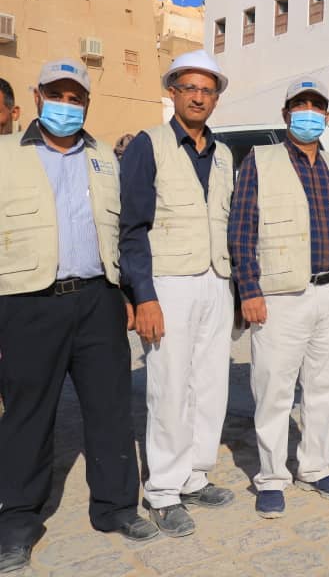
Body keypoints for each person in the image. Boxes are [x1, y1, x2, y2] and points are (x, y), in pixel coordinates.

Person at [0, 60, 157, 574]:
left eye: (75, 98)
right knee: (27, 414)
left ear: (86, 103)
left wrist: (129, 294)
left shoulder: (105, 158)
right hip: (28, 302)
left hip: (97, 300)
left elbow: (122, 233)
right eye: (56, 95)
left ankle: (115, 508)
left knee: (110, 409)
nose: (65, 105)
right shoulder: (5, 155)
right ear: (37, 97)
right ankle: (16, 522)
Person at [229, 78, 329, 519]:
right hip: (280, 296)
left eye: (316, 106)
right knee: (274, 389)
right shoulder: (260, 160)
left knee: (326, 386)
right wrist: (248, 289)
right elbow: (241, 227)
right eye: (300, 105)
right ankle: (271, 477)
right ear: (286, 113)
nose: (309, 112)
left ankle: (315, 467)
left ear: (327, 116)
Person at [119, 50, 235, 537]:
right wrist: (143, 295)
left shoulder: (223, 153)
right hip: (168, 282)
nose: (198, 97)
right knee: (169, 387)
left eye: (207, 90)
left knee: (210, 384)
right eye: (190, 88)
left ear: (215, 99)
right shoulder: (149, 145)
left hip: (216, 280)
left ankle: (194, 475)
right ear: (173, 92)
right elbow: (131, 227)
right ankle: (163, 490)